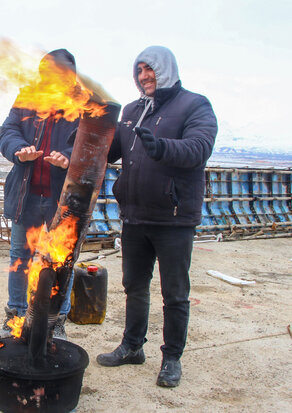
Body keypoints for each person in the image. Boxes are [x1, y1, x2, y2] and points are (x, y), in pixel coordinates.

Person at [97, 46, 217, 387]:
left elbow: (199, 149)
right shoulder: (133, 110)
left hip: (174, 219)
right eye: (139, 71)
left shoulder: (195, 105)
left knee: (174, 294)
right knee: (134, 287)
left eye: (150, 70)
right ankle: (132, 347)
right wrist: (87, 137)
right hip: (135, 216)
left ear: (166, 70)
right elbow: (112, 150)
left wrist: (161, 147)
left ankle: (172, 359)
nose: (144, 76)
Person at [0, 49, 81, 340]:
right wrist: (19, 150)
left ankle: (56, 320)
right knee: (20, 257)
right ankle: (15, 316)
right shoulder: (28, 98)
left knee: (63, 261)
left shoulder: (82, 104)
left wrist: (68, 158)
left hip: (63, 199)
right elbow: (7, 130)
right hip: (27, 193)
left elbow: (91, 144)